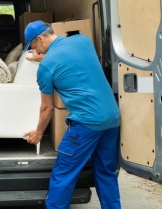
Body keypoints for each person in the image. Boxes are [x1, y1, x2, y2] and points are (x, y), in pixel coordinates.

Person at [22, 20, 121, 209]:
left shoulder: (45, 68)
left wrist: (38, 133)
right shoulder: (83, 41)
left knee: (64, 174)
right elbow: (74, 59)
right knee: (105, 172)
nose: (34, 51)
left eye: (34, 45)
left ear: (40, 39)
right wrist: (47, 57)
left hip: (86, 124)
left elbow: (47, 108)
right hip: (111, 118)